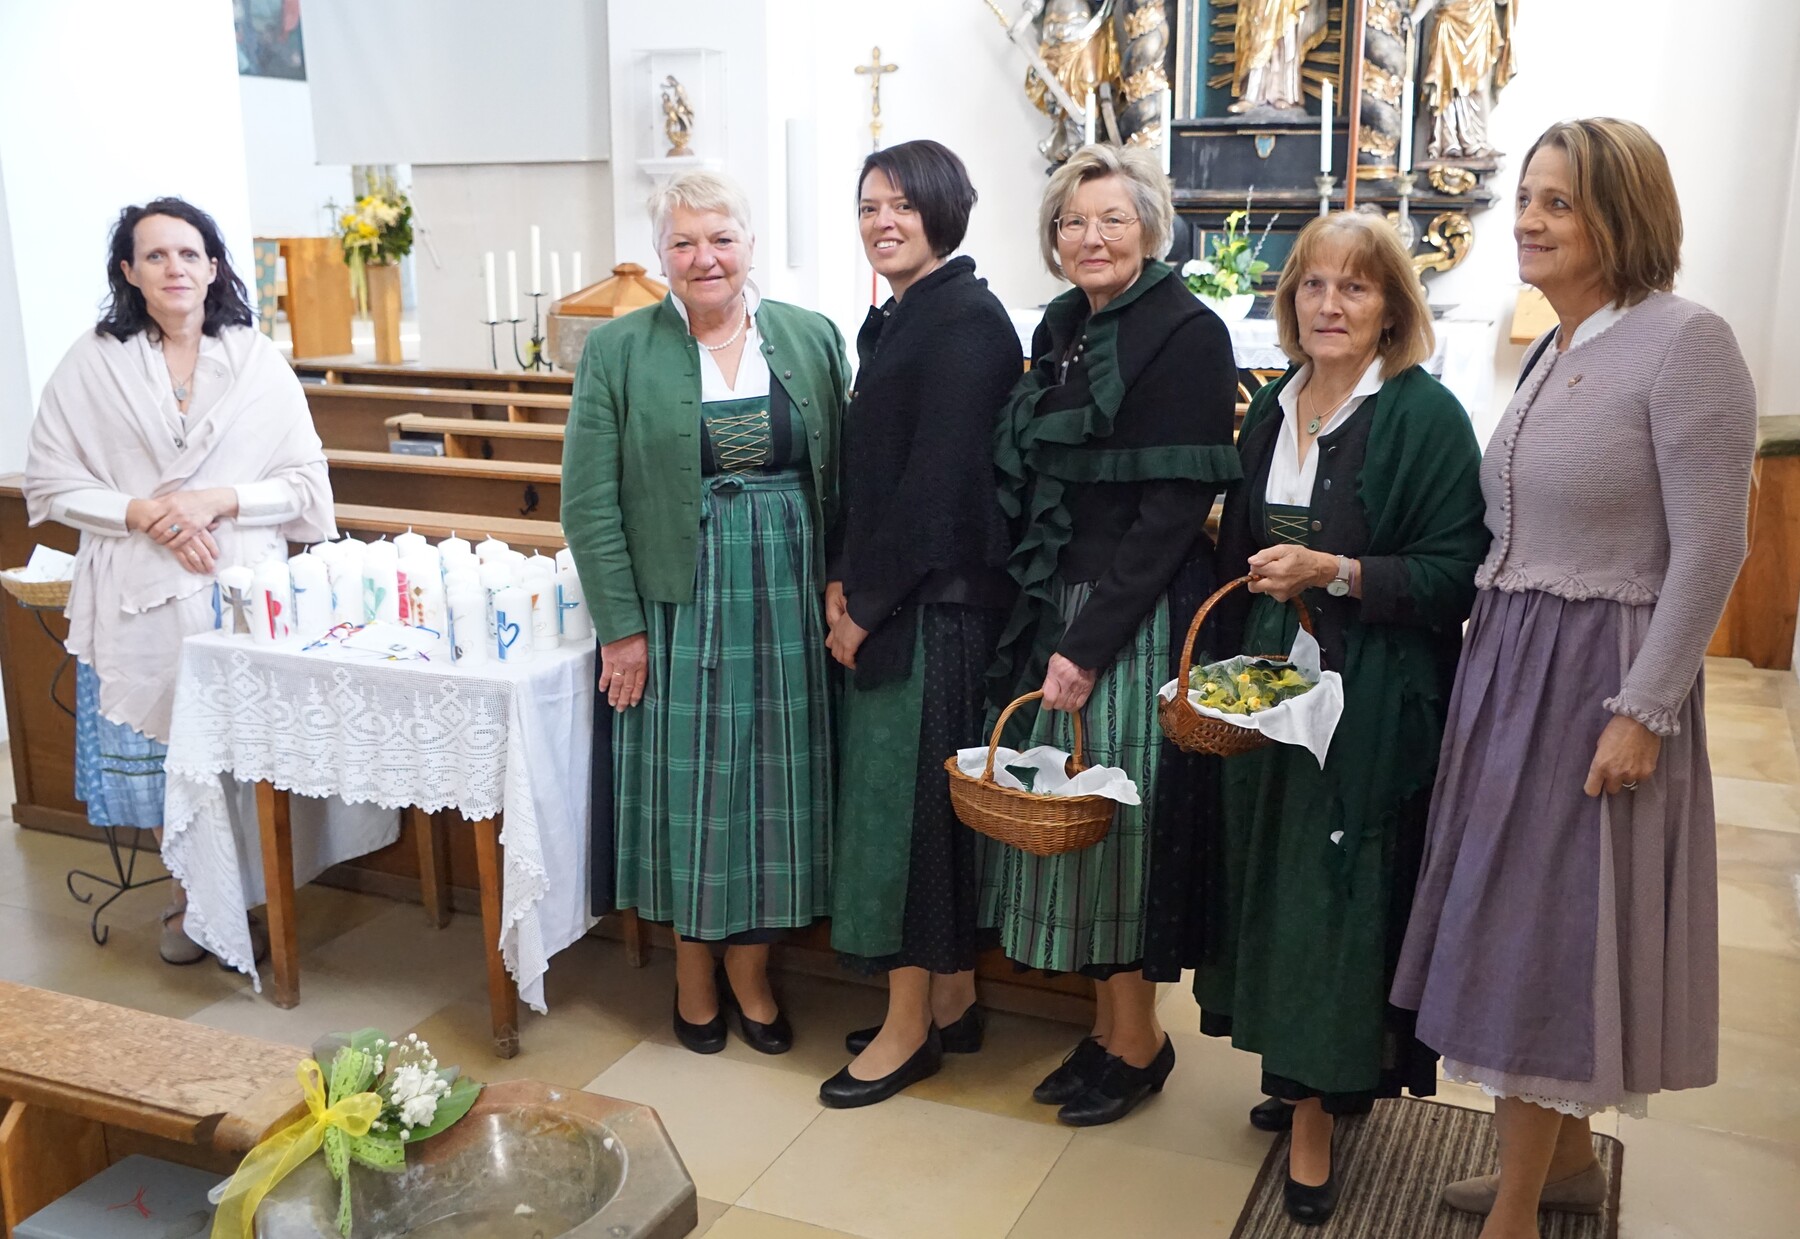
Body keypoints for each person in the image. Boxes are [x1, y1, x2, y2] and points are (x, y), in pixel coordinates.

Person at [1392, 118, 1756, 1239]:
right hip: (1516, 667)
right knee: (1523, 920)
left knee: (1550, 933)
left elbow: (1713, 547)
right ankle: (1566, 1169)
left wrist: (1645, 709)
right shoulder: (1560, 342)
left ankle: (1516, 1209)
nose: (1529, 221)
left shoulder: (1686, 342)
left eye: (1559, 202)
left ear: (1623, 216)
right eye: (1527, 198)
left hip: (1596, 678)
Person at [1192, 212, 1489, 1225]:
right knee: (1273, 877)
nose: (1330, 304)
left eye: (1355, 287)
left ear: (1392, 307)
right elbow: (1237, 548)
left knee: (1330, 893)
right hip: (1270, 687)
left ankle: (1317, 1110)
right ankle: (1301, 1065)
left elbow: (1457, 572)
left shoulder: (1421, 417)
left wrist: (1339, 571)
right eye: (1313, 285)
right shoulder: (1272, 407)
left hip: (1366, 692)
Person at [562, 170, 849, 1057]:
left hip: (790, 591)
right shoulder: (618, 351)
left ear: (750, 245)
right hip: (678, 599)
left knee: (775, 783)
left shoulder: (810, 335)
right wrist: (622, 628)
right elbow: (588, 501)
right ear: (661, 256)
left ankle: (752, 974)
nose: (704, 257)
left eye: (721, 238)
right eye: (683, 242)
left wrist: (842, 584)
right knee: (693, 784)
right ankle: (693, 973)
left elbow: (846, 477)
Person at [982, 143, 1240, 1126]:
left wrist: (1088, 644)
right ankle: (1107, 1028)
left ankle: (1139, 1039)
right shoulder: (1064, 324)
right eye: (1072, 222)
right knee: (1076, 826)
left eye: (1111, 219)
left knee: (1118, 828)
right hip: (1069, 600)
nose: (1090, 237)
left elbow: (1171, 513)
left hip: (1130, 610)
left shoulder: (1189, 333)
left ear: (1150, 228)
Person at [23, 197, 335, 965]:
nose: (175, 268)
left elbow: (306, 482)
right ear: (128, 271)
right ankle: (189, 897)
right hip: (138, 589)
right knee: (168, 757)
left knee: (240, 753)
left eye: (189, 253)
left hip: (239, 585)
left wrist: (215, 500)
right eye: (156, 255)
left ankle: (257, 897)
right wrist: (142, 513)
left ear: (214, 266)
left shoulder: (255, 360)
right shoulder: (93, 361)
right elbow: (50, 481)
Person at [818, 140, 1022, 1108]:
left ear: (943, 210)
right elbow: (874, 476)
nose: (882, 221)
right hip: (901, 597)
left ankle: (907, 1032)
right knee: (917, 815)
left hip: (935, 610)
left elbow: (938, 490)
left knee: (906, 823)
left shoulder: (967, 322)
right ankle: (950, 1000)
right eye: (869, 206)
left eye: (901, 204)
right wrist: (840, 577)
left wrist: (864, 607)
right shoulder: (909, 314)